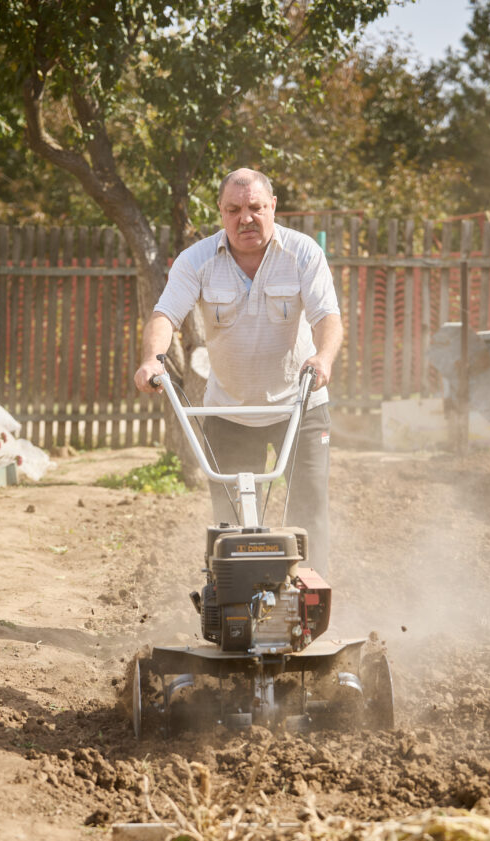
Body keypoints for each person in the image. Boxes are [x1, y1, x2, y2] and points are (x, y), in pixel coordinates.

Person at [134, 168, 342, 577]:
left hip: (300, 407)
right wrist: (151, 359)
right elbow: (165, 315)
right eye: (234, 209)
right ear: (221, 212)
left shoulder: (302, 254)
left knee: (309, 510)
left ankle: (309, 606)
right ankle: (236, 603)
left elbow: (327, 317)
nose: (245, 218)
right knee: (230, 524)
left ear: (273, 207)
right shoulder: (198, 260)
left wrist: (324, 358)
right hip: (229, 411)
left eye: (255, 208)